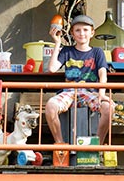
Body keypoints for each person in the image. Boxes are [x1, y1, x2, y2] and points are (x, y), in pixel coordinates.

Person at [45, 14, 112, 145]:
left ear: (92, 33)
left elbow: (103, 73)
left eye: (86, 30)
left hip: (90, 92)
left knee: (108, 108)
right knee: (50, 106)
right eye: (77, 30)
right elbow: (52, 68)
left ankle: (97, 145)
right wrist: (57, 42)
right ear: (72, 33)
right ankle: (60, 144)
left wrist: (102, 94)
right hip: (70, 92)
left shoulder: (97, 52)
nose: (82, 33)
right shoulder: (66, 50)